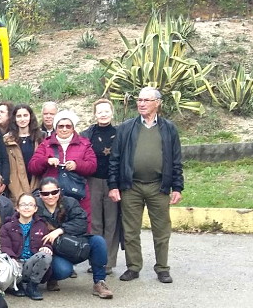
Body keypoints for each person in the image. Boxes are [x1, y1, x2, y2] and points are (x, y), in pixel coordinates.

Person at [109, 87, 183, 284]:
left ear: (157, 103)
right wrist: (113, 186)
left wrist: (177, 187)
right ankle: (133, 267)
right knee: (131, 230)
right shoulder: (126, 128)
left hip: (159, 187)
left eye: (146, 100)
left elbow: (176, 160)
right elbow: (115, 160)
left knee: (161, 230)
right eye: (139, 100)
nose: (141, 103)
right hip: (131, 187)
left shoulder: (168, 128)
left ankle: (162, 269)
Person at [35, 178, 113, 299]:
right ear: (40, 194)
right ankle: (52, 277)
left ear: (59, 191)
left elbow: (82, 223)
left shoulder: (70, 202)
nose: (50, 196)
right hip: (53, 251)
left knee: (98, 242)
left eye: (54, 192)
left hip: (75, 245)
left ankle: (99, 282)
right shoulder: (35, 207)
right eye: (45, 193)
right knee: (63, 270)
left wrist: (60, 230)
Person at [27, 109, 97, 225]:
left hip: (77, 193)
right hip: (52, 195)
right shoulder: (46, 144)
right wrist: (46, 161)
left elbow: (92, 166)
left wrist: (77, 165)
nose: (64, 129)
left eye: (68, 126)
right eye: (61, 126)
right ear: (56, 127)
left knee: (79, 222)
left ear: (73, 128)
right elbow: (33, 167)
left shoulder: (84, 144)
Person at [80, 98, 120, 273]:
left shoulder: (120, 133)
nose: (103, 114)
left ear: (112, 113)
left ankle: (109, 263)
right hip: (93, 181)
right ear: (94, 114)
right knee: (95, 222)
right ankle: (97, 261)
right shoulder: (87, 134)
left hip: (114, 182)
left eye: (106, 111)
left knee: (111, 222)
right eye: (100, 112)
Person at [0, 193, 53, 300]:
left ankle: (32, 286)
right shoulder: (8, 226)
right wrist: (12, 257)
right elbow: (4, 246)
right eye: (23, 204)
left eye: (30, 205)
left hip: (32, 264)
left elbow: (48, 242)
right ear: (17, 208)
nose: (27, 207)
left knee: (45, 255)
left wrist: (47, 247)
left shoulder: (42, 225)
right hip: (15, 264)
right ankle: (16, 285)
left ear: (35, 209)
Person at [3, 103, 42, 199]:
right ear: (14, 119)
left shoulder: (40, 138)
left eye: (25, 115)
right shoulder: (7, 140)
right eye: (19, 116)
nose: (22, 119)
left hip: (37, 185)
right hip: (16, 188)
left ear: (30, 117)